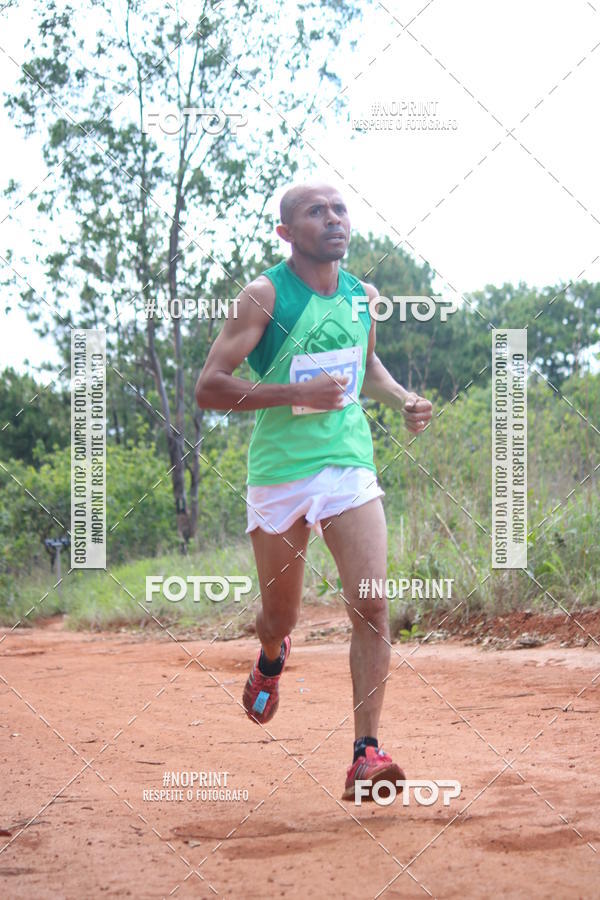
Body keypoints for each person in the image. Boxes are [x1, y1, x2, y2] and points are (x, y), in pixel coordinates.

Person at [195, 182, 432, 801]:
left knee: (372, 604)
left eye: (340, 209)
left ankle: (365, 753)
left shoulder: (363, 298)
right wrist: (292, 393)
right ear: (286, 233)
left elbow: (366, 368)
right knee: (281, 614)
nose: (333, 219)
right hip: (278, 475)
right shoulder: (264, 297)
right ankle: (272, 655)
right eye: (315, 212)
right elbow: (210, 386)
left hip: (347, 465)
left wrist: (402, 398)